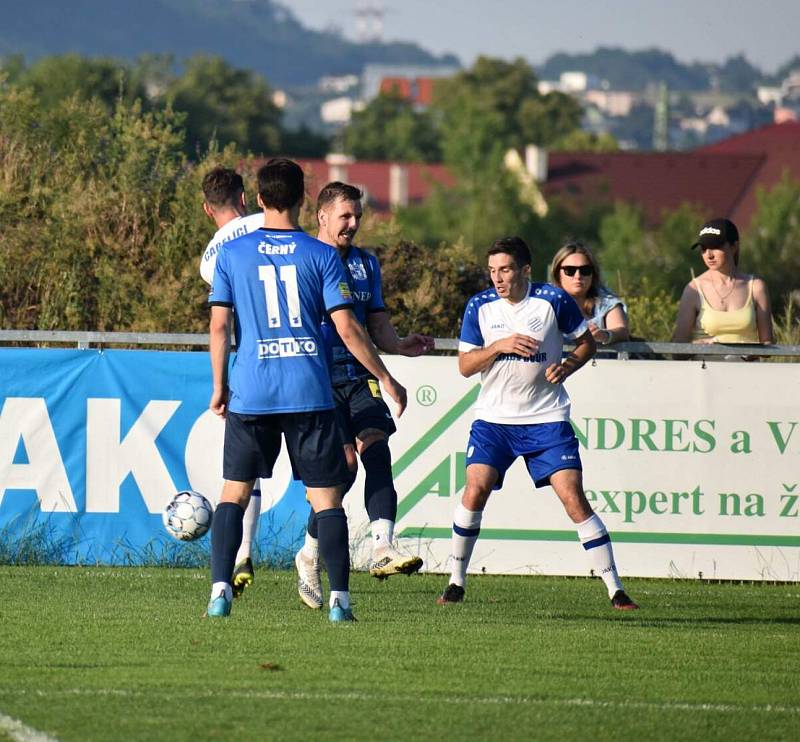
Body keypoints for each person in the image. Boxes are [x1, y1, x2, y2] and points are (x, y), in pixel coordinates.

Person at [206, 158, 407, 623]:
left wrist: (219, 386)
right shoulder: (319, 256)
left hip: (252, 389)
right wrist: (386, 376)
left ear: (257, 200)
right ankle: (339, 601)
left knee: (234, 492)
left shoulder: (232, 254)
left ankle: (220, 593)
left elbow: (220, 326)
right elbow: (349, 327)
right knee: (326, 499)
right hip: (308, 391)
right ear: (303, 200)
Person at [437, 236, 638, 610]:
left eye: (506, 270)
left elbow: (585, 343)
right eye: (493, 271)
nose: (498, 278)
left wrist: (569, 365)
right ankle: (456, 581)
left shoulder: (552, 300)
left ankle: (616, 589)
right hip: (494, 420)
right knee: (475, 488)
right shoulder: (479, 306)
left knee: (572, 497)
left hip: (546, 419)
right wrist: (499, 346)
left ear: (525, 270)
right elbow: (465, 366)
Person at [294, 181, 435, 610]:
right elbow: (343, 327)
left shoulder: (365, 264)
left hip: (358, 374)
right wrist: (389, 376)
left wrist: (398, 344)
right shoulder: (302, 258)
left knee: (376, 447)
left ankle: (382, 547)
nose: (353, 224)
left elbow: (374, 323)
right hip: (315, 378)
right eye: (345, 217)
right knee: (344, 470)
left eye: (357, 217)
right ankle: (309, 554)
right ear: (322, 216)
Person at [200, 166, 268, 599]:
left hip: (248, 368)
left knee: (243, 475)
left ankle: (241, 553)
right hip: (300, 355)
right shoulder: (265, 223)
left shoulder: (209, 259)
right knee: (326, 477)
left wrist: (219, 383)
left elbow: (221, 324)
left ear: (209, 209)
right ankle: (319, 562)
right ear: (245, 199)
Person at [672, 218, 773, 349]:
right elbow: (677, 350)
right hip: (705, 368)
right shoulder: (693, 289)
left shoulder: (756, 287)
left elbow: (768, 345)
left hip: (746, 369)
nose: (709, 255)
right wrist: (697, 346)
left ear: (734, 247)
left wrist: (754, 353)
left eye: (715, 247)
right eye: (703, 248)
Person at [550, 241, 630, 347]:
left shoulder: (606, 301)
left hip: (602, 363)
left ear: (593, 274)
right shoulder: (545, 302)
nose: (578, 276)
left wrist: (604, 335)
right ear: (557, 274)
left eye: (585, 270)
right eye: (570, 270)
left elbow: (622, 331)